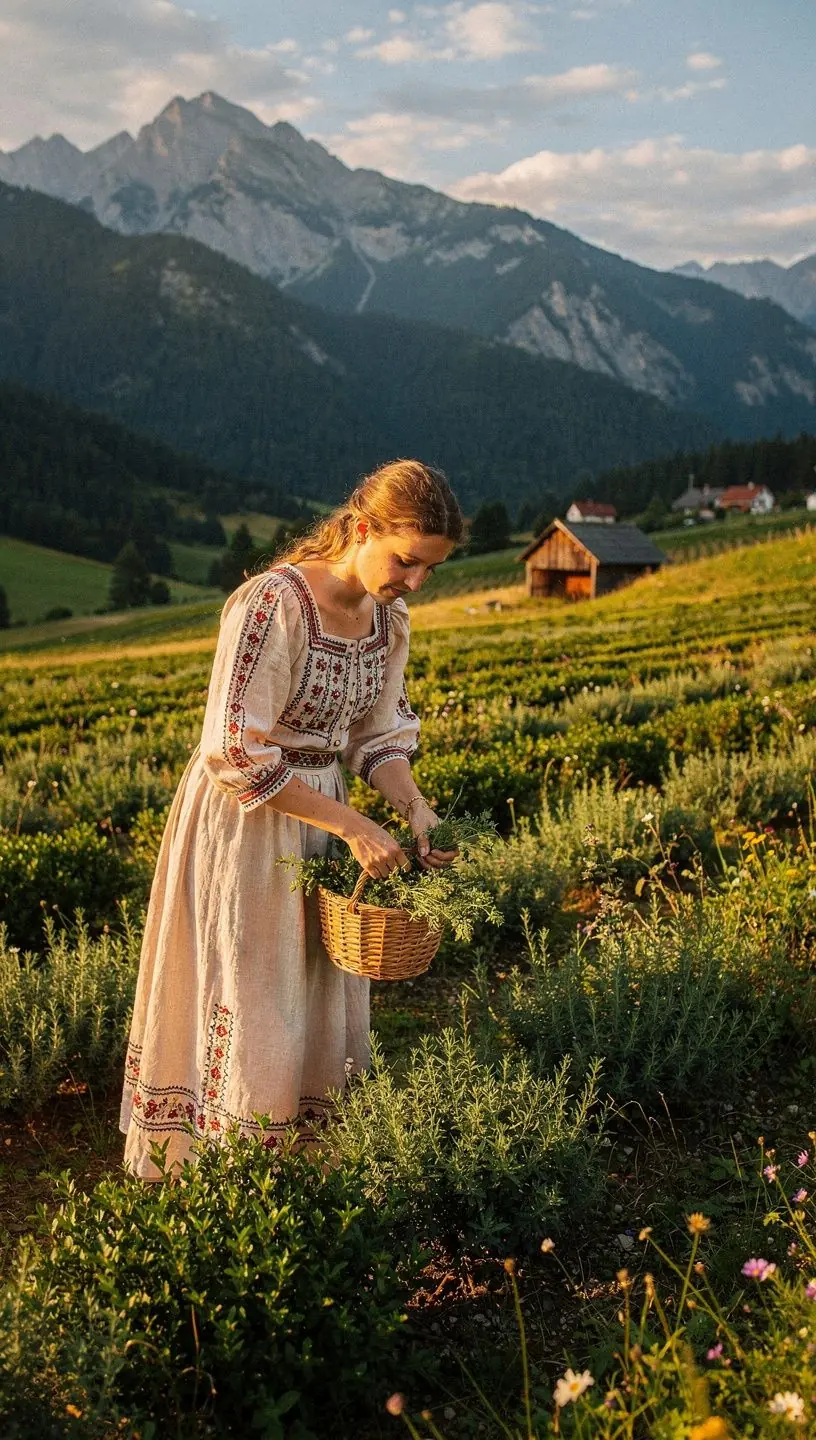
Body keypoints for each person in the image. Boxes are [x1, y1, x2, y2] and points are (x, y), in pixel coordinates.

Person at [120, 459, 465, 1178]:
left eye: (430, 569)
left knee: (309, 986)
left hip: (321, 816)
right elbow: (233, 751)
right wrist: (348, 823)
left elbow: (379, 737)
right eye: (407, 562)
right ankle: (223, 1168)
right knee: (252, 989)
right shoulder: (271, 605)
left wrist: (414, 808)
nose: (414, 583)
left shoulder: (387, 621)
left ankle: (300, 1175)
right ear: (362, 528)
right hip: (248, 821)